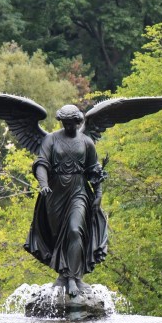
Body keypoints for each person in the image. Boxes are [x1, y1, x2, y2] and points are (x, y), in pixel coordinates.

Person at [25, 105, 108, 298]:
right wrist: (43, 184)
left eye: (72, 123)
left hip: (79, 191)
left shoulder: (86, 142)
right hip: (54, 193)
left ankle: (72, 278)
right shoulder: (50, 139)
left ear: (78, 121)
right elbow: (41, 163)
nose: (69, 126)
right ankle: (64, 276)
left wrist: (98, 194)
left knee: (74, 230)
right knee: (58, 237)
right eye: (65, 123)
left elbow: (94, 170)